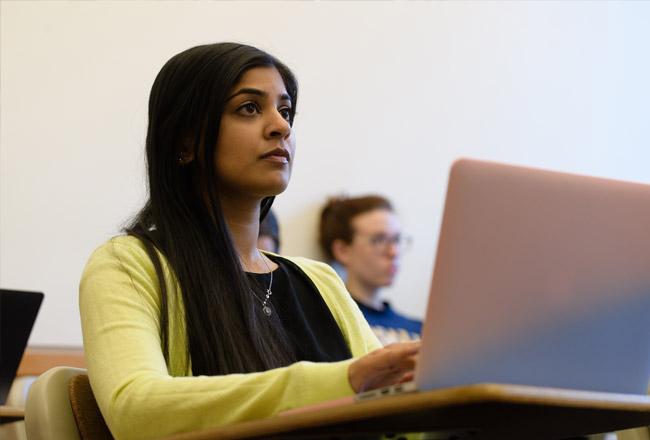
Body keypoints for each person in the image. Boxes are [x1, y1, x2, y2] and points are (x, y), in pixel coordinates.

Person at [79, 43, 419, 440]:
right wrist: (344, 381)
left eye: (285, 110)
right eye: (249, 108)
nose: (281, 126)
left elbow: (400, 421)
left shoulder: (321, 282)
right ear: (185, 143)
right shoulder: (129, 264)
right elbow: (135, 411)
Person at [319, 195, 422, 345]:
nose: (393, 252)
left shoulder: (420, 329)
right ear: (343, 251)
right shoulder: (331, 320)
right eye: (379, 240)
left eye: (397, 239)